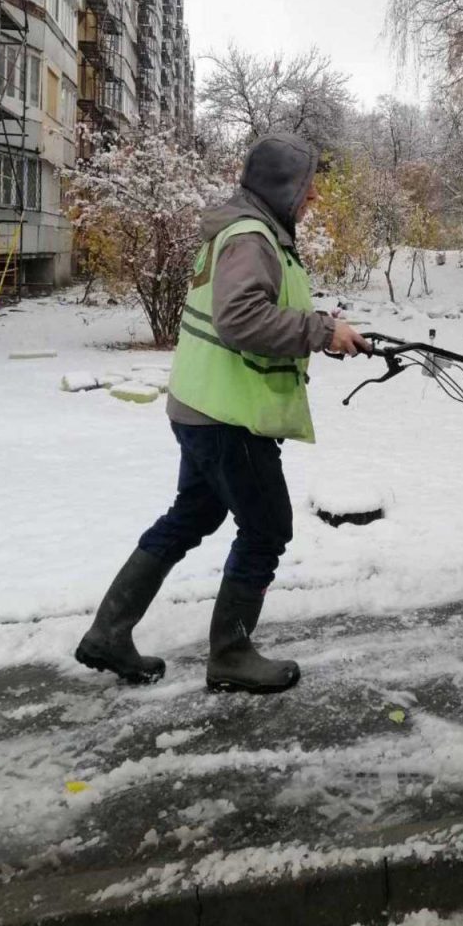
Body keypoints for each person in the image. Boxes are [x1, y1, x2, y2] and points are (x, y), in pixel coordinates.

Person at [75, 133, 368, 694]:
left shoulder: (248, 231)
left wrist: (325, 327)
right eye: (308, 189)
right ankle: (230, 655)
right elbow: (240, 318)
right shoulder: (252, 238)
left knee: (190, 517)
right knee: (266, 529)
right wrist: (323, 330)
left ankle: (109, 633)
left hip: (202, 405)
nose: (313, 201)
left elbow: (254, 309)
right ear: (284, 187)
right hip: (227, 415)